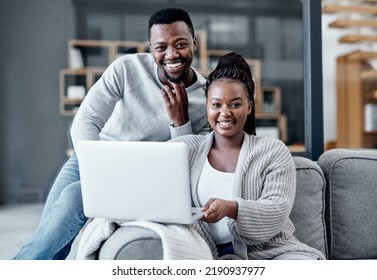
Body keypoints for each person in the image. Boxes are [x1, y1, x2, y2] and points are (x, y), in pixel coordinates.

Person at [13, 7, 210, 260]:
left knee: (74, 196)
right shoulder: (127, 68)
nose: (171, 54)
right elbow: (85, 120)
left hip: (143, 173)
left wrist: (180, 121)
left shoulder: (206, 98)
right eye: (161, 47)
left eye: (181, 44)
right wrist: (99, 170)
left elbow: (190, 164)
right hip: (94, 159)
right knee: (51, 233)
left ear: (194, 42)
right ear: (149, 47)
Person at [172, 52, 326, 260]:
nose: (225, 113)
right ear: (206, 106)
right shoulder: (186, 149)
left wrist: (231, 208)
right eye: (216, 105)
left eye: (235, 104)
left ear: (249, 107)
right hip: (204, 255)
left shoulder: (273, 151)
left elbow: (278, 210)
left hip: (270, 253)